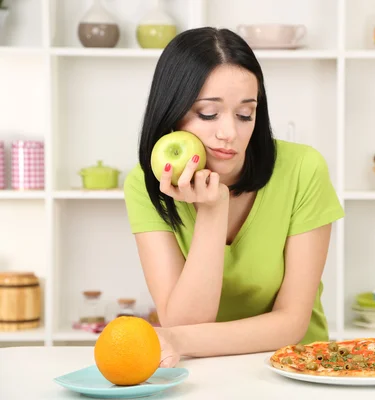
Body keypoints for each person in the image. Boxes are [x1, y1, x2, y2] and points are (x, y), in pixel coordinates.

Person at [123, 27, 344, 368]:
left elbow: (291, 323)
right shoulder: (146, 183)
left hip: (300, 371)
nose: (229, 133)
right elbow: (183, 320)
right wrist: (212, 213)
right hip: (202, 371)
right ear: (171, 111)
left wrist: (175, 339)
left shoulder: (303, 168)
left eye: (245, 115)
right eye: (208, 114)